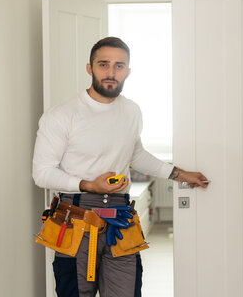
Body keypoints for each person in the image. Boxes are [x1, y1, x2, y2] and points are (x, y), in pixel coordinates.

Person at [32, 36, 208, 297]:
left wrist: (179, 174)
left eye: (119, 65)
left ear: (128, 71)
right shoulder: (62, 115)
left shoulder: (131, 111)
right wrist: (89, 185)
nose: (111, 72)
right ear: (90, 68)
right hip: (77, 219)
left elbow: (136, 154)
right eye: (104, 65)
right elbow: (42, 173)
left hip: (120, 220)